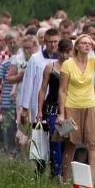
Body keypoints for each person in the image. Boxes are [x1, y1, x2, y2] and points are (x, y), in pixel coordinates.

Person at [58, 34, 95, 182]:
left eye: (89, 44)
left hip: (91, 106)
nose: (87, 45)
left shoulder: (93, 61)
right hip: (72, 107)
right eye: (84, 43)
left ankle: (91, 182)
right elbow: (62, 90)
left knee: (93, 144)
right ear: (77, 46)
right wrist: (62, 113)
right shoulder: (68, 64)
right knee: (71, 144)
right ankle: (65, 179)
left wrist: (93, 41)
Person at [36, 39, 71, 177]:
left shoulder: (73, 67)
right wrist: (39, 110)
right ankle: (56, 172)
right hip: (51, 108)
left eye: (68, 52)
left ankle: (63, 172)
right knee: (55, 139)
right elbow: (43, 89)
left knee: (66, 141)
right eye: (63, 52)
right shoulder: (50, 67)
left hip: (69, 108)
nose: (65, 55)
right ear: (59, 51)